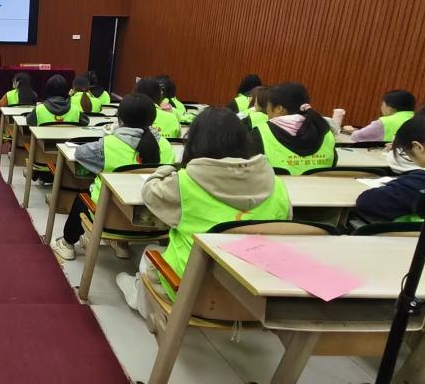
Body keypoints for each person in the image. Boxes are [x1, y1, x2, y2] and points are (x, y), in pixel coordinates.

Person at [114, 107, 292, 317]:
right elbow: (284, 227)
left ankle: (141, 299)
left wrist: (168, 169)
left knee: (150, 253)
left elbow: (149, 193)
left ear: (194, 140)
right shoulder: (277, 185)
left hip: (191, 290)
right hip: (255, 293)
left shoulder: (185, 182)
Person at [51, 93, 174, 261]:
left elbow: (79, 154)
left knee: (82, 199)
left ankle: (67, 244)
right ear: (153, 120)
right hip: (153, 221)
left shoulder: (108, 144)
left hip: (107, 217)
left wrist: (110, 135)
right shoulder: (166, 146)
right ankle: (121, 245)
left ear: (120, 119)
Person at [355, 115, 425, 222]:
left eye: (405, 153)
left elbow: (367, 202)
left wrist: (397, 184)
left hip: (423, 232)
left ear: (418, 147)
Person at [248, 82, 336, 175]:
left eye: (268, 105)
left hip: (278, 185)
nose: (267, 111)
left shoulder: (259, 134)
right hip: (320, 184)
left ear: (278, 108)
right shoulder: (325, 131)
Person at [342, 90, 416, 143]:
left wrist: (352, 131)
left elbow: (357, 137)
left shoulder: (385, 122)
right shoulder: (418, 119)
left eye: (382, 104)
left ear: (390, 107)